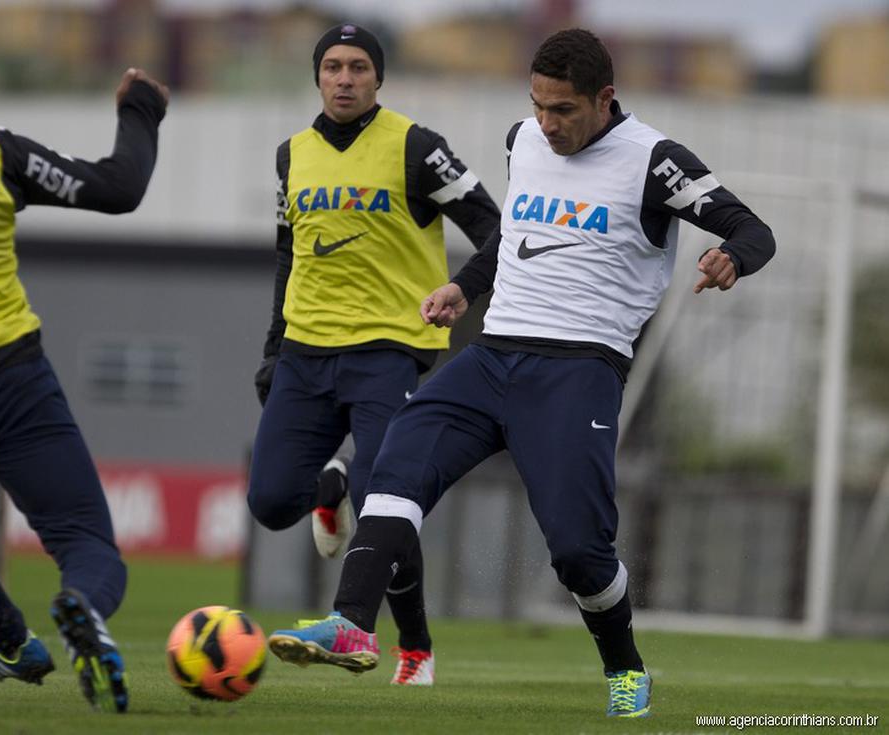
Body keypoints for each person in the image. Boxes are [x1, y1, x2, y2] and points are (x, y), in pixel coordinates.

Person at [267, 28, 776, 716]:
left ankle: (626, 667)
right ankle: (352, 625)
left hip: (578, 370)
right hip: (492, 354)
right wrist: (465, 287)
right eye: (537, 105)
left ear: (605, 99)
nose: (546, 123)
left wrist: (732, 258)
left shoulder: (654, 161)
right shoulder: (524, 141)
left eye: (563, 109)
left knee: (577, 551)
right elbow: (514, 235)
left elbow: (752, 228)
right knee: (394, 465)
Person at [0, 9, 168, 714]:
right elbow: (119, 187)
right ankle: (81, 603)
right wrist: (140, 109)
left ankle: (12, 642)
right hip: (7, 383)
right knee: (85, 540)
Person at [249, 23, 500, 686]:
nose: (344, 78)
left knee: (382, 494)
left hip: (388, 348)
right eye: (332, 66)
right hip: (304, 350)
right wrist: (273, 348)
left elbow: (496, 227)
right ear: (317, 76)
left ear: (378, 78)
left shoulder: (417, 148)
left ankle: (413, 645)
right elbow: (287, 253)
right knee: (271, 501)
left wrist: (462, 287)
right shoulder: (291, 154)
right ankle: (325, 485)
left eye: (359, 67)